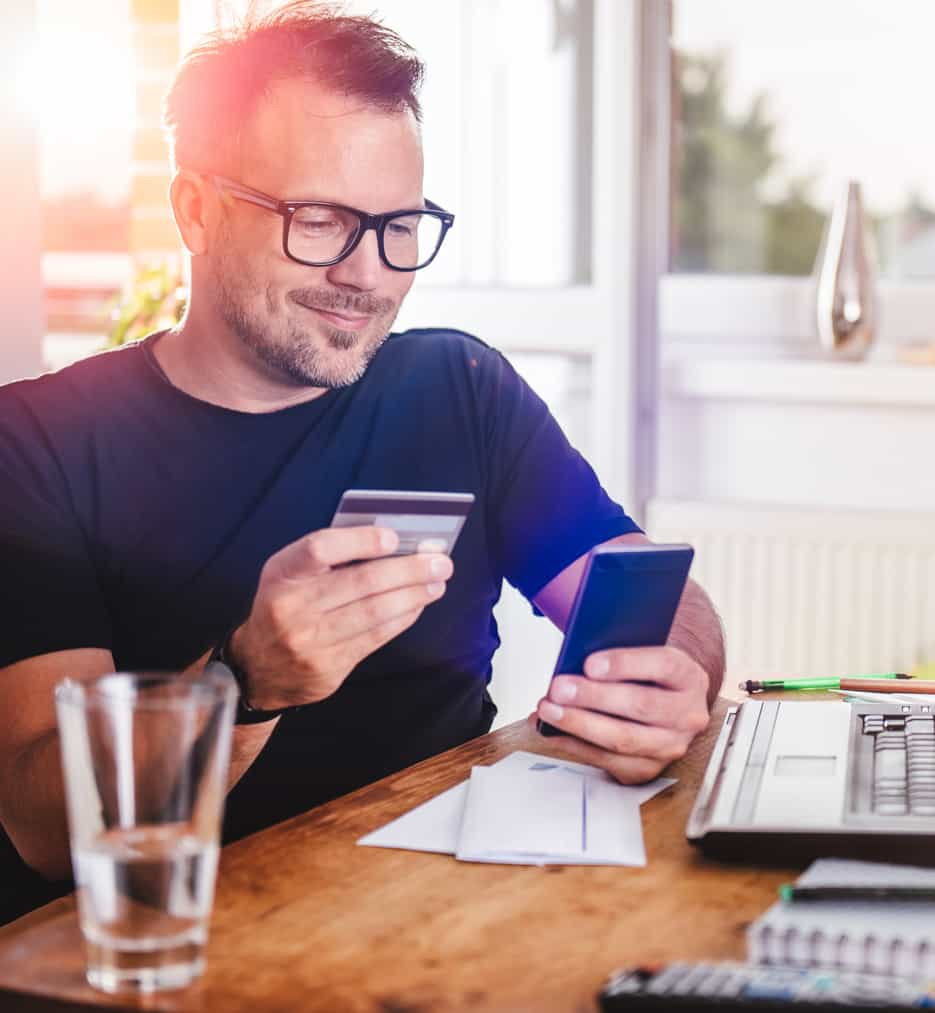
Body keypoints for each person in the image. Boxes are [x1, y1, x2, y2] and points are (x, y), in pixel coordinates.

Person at [0, 1, 724, 924]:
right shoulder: (36, 443)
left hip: (441, 920)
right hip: (175, 945)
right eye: (320, 219)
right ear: (196, 209)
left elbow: (642, 587)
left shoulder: (458, 387)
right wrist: (243, 681)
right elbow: (41, 822)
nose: (369, 275)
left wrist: (676, 671)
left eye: (397, 225)